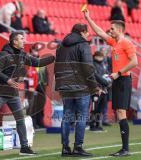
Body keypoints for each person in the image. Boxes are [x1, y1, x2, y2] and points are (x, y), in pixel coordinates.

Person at [0, 32, 55, 158]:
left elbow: (37, 62)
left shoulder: (22, 54)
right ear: (14, 41)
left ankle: (24, 147)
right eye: (21, 38)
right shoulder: (4, 54)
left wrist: (53, 57)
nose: (24, 40)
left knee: (20, 119)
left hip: (13, 94)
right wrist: (8, 80)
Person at [84, 10, 138, 156]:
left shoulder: (127, 43)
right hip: (117, 80)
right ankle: (124, 148)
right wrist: (88, 18)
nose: (110, 30)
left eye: (112, 28)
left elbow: (135, 62)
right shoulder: (115, 42)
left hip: (123, 79)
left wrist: (118, 73)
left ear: (120, 30)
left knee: (121, 112)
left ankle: (125, 149)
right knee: (119, 112)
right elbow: (100, 32)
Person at [55, 23, 100, 157]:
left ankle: (65, 147)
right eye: (87, 32)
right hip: (81, 86)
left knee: (67, 115)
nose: (88, 35)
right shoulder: (83, 44)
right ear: (82, 32)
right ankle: (78, 147)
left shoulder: (61, 45)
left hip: (64, 85)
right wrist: (94, 86)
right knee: (81, 116)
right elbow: (88, 68)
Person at [90, 51, 111, 131]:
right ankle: (92, 125)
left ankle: (98, 124)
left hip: (104, 90)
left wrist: (109, 81)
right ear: (95, 56)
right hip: (96, 90)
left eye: (101, 57)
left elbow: (107, 74)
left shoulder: (103, 64)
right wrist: (105, 82)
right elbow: (95, 76)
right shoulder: (92, 64)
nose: (100, 58)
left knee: (101, 109)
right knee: (94, 108)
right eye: (99, 56)